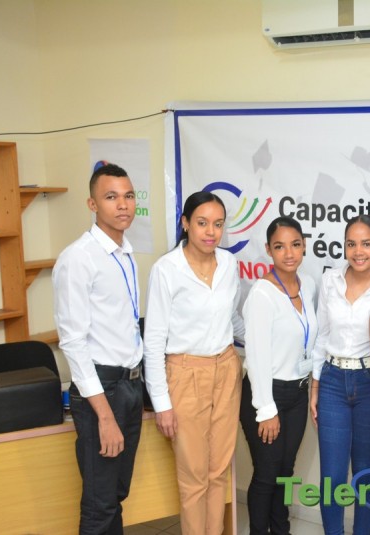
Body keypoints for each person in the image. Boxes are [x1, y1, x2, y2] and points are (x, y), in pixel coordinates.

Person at [142, 191, 244, 534]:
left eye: (218, 224)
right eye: (202, 223)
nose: (210, 232)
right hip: (185, 375)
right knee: (194, 478)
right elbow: (153, 342)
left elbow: (232, 319)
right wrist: (162, 404)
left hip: (226, 370)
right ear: (185, 223)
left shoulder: (229, 264)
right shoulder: (167, 269)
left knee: (218, 473)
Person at [53, 163, 144, 534]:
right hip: (101, 391)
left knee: (115, 494)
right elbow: (73, 343)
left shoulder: (125, 252)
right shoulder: (78, 258)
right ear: (92, 204)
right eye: (111, 197)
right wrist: (104, 415)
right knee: (99, 503)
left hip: (130, 385)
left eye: (128, 196)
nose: (122, 205)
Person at [310, 215, 370, 535]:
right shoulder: (330, 280)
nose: (358, 251)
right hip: (332, 382)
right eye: (351, 244)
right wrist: (315, 386)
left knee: (366, 474)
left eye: (366, 244)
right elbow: (321, 335)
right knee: (332, 476)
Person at [240, 216, 318, 535]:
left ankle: (281, 529)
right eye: (280, 246)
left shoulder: (308, 285)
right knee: (267, 474)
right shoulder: (262, 293)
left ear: (304, 246)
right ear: (269, 250)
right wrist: (266, 410)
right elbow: (256, 357)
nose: (289, 253)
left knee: (285, 472)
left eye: (295, 245)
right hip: (266, 394)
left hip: (297, 393)